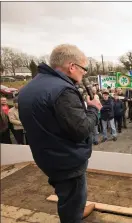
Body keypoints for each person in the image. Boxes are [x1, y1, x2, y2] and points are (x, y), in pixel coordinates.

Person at [18, 44, 102, 222]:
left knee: (67, 194)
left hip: (47, 155)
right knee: (73, 198)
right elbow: (82, 130)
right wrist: (94, 109)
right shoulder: (63, 91)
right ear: (72, 67)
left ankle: (74, 209)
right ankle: (73, 213)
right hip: (67, 160)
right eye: (83, 68)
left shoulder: (30, 87)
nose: (84, 73)